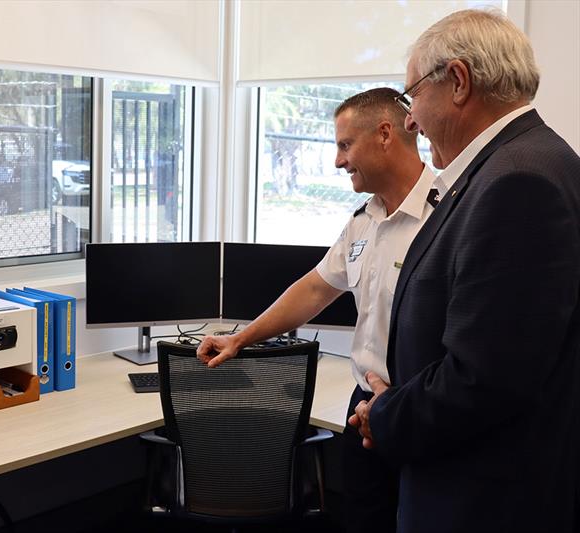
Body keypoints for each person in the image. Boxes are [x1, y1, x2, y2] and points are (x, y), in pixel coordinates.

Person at [349, 9, 580, 533]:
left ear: (457, 81)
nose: (410, 121)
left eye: (412, 99)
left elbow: (484, 379)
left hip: (481, 501)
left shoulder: (518, 182)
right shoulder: (535, 160)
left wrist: (384, 415)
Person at [197, 87, 437, 533]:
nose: (338, 161)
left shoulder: (445, 214)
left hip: (420, 410)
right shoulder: (362, 221)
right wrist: (240, 338)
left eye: (345, 145)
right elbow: (313, 290)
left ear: (385, 134)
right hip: (363, 409)